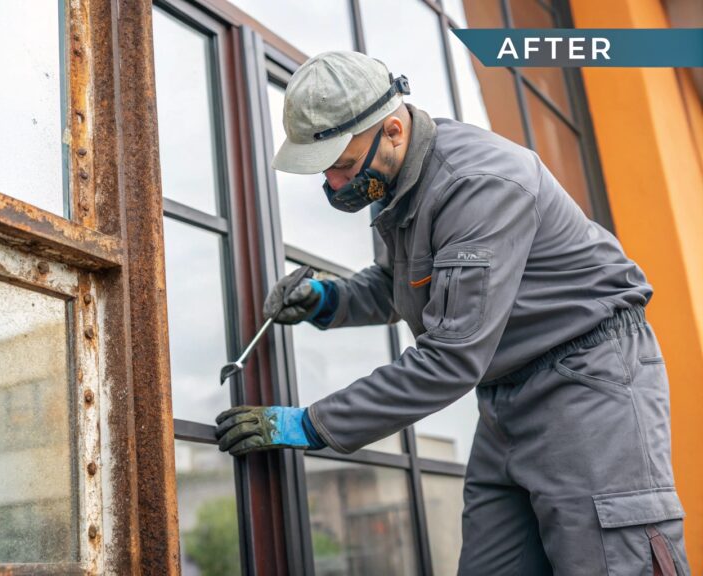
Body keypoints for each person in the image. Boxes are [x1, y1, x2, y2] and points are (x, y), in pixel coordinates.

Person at [214, 51, 689, 574]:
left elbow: (449, 358)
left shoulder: (479, 183)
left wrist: (310, 424)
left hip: (589, 385)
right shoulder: (395, 181)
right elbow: (405, 285)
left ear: (392, 130)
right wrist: (329, 300)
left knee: (611, 561)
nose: (332, 184)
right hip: (506, 393)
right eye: (325, 170)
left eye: (343, 165)